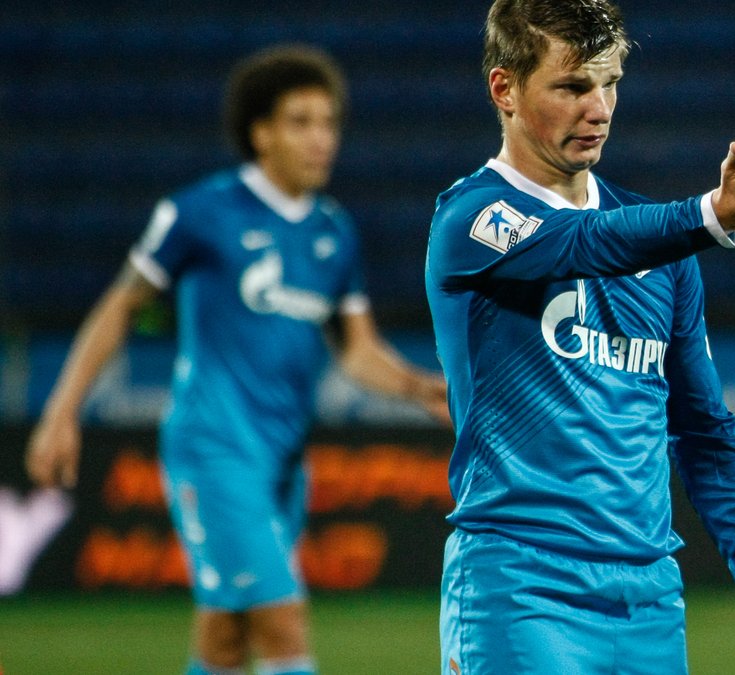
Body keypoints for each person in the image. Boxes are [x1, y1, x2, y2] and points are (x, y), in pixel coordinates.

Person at [425, 1, 735, 673]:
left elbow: (704, 432)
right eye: (572, 86)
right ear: (505, 89)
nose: (599, 109)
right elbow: (584, 243)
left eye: (609, 83)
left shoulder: (664, 249)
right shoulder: (472, 218)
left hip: (648, 600)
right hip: (519, 584)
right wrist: (712, 214)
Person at [25, 44, 448, 675]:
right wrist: (63, 411)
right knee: (282, 623)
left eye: (329, 123)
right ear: (261, 133)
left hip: (283, 461)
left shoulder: (334, 231)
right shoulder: (200, 212)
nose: (321, 139)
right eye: (300, 122)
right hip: (214, 447)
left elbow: (358, 351)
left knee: (225, 638)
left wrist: (422, 389)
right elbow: (120, 304)